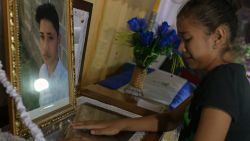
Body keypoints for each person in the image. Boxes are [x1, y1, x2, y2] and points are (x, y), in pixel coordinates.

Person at [70, 0, 250, 140]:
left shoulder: (224, 82)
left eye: (187, 39)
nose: (180, 48)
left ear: (218, 36)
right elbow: (171, 119)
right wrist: (120, 124)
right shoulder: (223, 77)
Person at [35, 3, 68, 106]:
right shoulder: (42, 71)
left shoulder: (66, 82)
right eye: (42, 37)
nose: (45, 47)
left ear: (58, 39)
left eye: (50, 38)